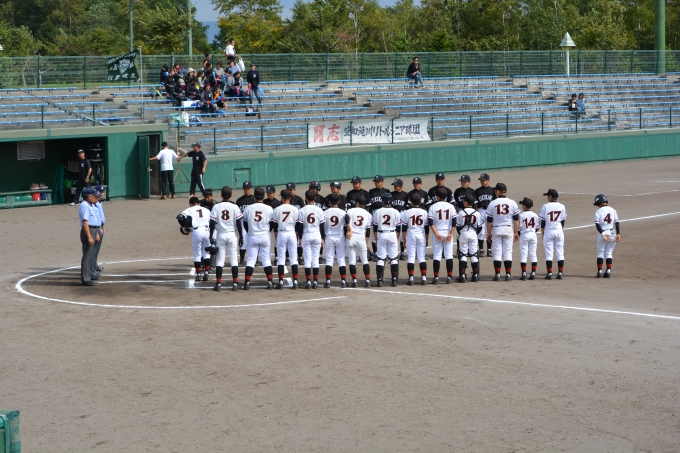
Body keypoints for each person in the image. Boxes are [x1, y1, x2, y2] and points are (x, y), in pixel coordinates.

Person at [209, 186, 243, 292]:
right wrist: (241, 236)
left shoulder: (216, 207)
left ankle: (218, 284)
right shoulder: (235, 207)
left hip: (220, 235)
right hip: (232, 235)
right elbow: (239, 223)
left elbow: (211, 223)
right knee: (234, 260)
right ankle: (235, 284)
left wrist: (211, 236)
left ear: (221, 195)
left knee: (220, 260)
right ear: (231, 195)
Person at [486, 183, 520, 281]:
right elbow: (516, 219)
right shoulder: (512, 202)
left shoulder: (492, 203)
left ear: (497, 191)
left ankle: (497, 275)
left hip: (496, 228)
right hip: (508, 228)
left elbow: (489, 220)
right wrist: (516, 232)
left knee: (497, 252)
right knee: (508, 252)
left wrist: (489, 233)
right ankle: (508, 274)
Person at [242, 187, 275, 290]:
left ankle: (247, 283)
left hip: (252, 236)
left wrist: (250, 232)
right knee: (266, 260)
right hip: (265, 236)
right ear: (264, 196)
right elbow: (272, 223)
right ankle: (270, 282)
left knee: (251, 260)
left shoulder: (248, 208)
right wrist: (267, 231)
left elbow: (245, 223)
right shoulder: (269, 208)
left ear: (254, 196)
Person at [178, 197, 212, 282]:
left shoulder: (189, 209)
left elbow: (180, 217)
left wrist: (184, 226)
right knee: (206, 253)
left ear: (190, 204)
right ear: (199, 203)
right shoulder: (206, 210)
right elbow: (211, 222)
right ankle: (206, 273)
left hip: (197, 231)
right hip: (207, 231)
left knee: (197, 254)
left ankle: (198, 274)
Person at [296, 190, 326, 289]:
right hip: (317, 234)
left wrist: (300, 238)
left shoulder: (302, 210)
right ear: (315, 198)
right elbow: (322, 226)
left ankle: (308, 281)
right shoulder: (319, 210)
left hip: (306, 235)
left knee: (307, 259)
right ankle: (315, 282)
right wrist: (322, 238)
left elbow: (300, 226)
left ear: (305, 198)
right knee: (315, 259)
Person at [272, 189, 300, 289]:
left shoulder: (277, 209)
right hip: (292, 233)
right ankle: (295, 281)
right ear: (290, 197)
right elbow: (298, 224)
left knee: (281, 259)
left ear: (282, 198)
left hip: (282, 233)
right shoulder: (295, 209)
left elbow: (275, 224)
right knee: (293, 259)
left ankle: (280, 282)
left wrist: (276, 235)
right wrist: (296, 235)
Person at [372, 193, 401, 287]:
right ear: (391, 201)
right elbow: (398, 227)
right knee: (394, 258)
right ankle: (394, 280)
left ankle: (380, 280)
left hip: (382, 234)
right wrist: (396, 237)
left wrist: (376, 238)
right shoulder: (396, 211)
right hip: (392, 234)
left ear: (382, 201)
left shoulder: (377, 211)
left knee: (380, 258)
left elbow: (375, 227)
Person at [428, 187, 455, 284]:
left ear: (437, 197)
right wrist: (451, 234)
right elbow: (454, 222)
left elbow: (430, 222)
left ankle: (436, 277)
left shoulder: (433, 207)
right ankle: (449, 277)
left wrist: (436, 234)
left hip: (437, 231)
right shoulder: (451, 206)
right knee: (449, 255)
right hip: (447, 232)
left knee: (437, 255)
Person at [539, 189, 567, 280]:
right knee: (560, 252)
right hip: (559, 230)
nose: (547, 197)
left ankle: (550, 273)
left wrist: (542, 232)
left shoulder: (545, 206)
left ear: (551, 196)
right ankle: (560, 273)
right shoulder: (562, 206)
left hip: (549, 231)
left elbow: (543, 222)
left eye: (548, 196)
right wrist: (560, 230)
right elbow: (563, 221)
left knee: (549, 253)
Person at [401, 193, 429, 285]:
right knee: (421, 257)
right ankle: (424, 278)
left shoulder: (407, 212)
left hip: (411, 235)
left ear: (411, 202)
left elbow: (404, 228)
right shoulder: (424, 212)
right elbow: (426, 228)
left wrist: (403, 239)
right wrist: (426, 239)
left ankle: (411, 278)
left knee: (411, 257)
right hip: (421, 235)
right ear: (420, 202)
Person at [322, 194, 349, 288]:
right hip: (340, 237)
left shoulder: (324, 213)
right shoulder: (343, 212)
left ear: (329, 202)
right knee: (341, 260)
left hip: (329, 237)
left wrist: (323, 237)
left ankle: (328, 281)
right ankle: (343, 281)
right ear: (339, 202)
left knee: (329, 260)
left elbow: (322, 227)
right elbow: (346, 226)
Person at [345, 195, 372, 287]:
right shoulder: (368, 214)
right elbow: (368, 231)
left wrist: (349, 230)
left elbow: (346, 218)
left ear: (357, 203)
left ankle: (355, 281)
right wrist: (366, 242)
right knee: (365, 260)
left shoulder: (351, 210)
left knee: (352, 261)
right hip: (361, 237)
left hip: (351, 237)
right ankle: (367, 280)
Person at [455, 194, 483, 283]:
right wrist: (475, 233)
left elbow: (458, 226)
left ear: (466, 202)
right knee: (474, 254)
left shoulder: (461, 213)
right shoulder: (477, 213)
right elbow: (480, 227)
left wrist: (461, 233)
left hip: (463, 234)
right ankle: (475, 275)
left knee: (463, 254)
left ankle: (462, 275)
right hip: (473, 234)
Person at [593, 194, 620, 278]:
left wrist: (603, 234)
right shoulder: (613, 210)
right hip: (612, 232)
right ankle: (608, 271)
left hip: (603, 232)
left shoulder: (598, 211)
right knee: (609, 252)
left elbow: (597, 225)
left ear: (599, 203)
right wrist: (618, 234)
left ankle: (599, 271)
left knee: (600, 252)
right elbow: (617, 222)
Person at [78, 188, 100, 286]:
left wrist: (96, 233)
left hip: (93, 230)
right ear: (89, 197)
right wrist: (89, 237)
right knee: (87, 256)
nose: (96, 198)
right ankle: (85, 279)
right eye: (94, 196)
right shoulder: (84, 205)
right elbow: (85, 222)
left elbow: (93, 220)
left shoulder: (90, 205)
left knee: (90, 255)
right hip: (88, 231)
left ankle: (88, 276)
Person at [368, 175, 390, 260]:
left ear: (382, 182)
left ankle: (385, 253)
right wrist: (371, 214)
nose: (376, 183)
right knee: (375, 234)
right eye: (375, 182)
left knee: (384, 233)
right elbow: (369, 205)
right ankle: (375, 253)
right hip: (374, 213)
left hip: (384, 213)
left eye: (378, 181)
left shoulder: (386, 191)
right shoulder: (371, 191)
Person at [518, 197, 539, 281]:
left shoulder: (521, 215)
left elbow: (519, 228)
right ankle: (533, 273)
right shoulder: (535, 215)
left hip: (524, 234)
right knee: (533, 254)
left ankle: (524, 273)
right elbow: (537, 227)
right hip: (533, 234)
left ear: (524, 206)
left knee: (523, 254)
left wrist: (520, 235)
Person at [475, 173, 495, 257]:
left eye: (483, 180)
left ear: (488, 180)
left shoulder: (492, 191)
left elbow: (495, 203)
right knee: (481, 230)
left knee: (489, 230)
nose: (482, 181)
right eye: (481, 180)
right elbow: (476, 204)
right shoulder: (477, 191)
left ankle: (489, 249)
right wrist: (476, 212)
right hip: (480, 211)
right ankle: (481, 249)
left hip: (490, 211)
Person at [236, 181, 256, 266]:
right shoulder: (239, 200)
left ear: (251, 189)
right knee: (243, 241)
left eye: (248, 188)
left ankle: (255, 259)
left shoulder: (254, 199)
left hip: (252, 223)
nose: (247, 190)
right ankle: (241, 260)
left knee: (253, 241)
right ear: (243, 189)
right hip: (243, 223)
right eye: (245, 188)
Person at [89, 185, 107, 281]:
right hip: (95, 228)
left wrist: (102, 227)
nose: (102, 194)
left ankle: (94, 265)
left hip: (99, 227)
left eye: (103, 192)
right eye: (100, 192)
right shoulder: (92, 204)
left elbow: (100, 217)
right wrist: (99, 228)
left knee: (96, 250)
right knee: (93, 250)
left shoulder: (99, 202)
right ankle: (91, 270)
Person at [390, 179, 409, 260]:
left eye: (396, 186)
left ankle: (402, 252)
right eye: (394, 185)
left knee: (401, 234)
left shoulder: (405, 194)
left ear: (401, 186)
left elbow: (407, 205)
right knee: (393, 233)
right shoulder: (391, 194)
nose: (395, 187)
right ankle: (392, 252)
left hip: (402, 214)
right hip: (393, 214)